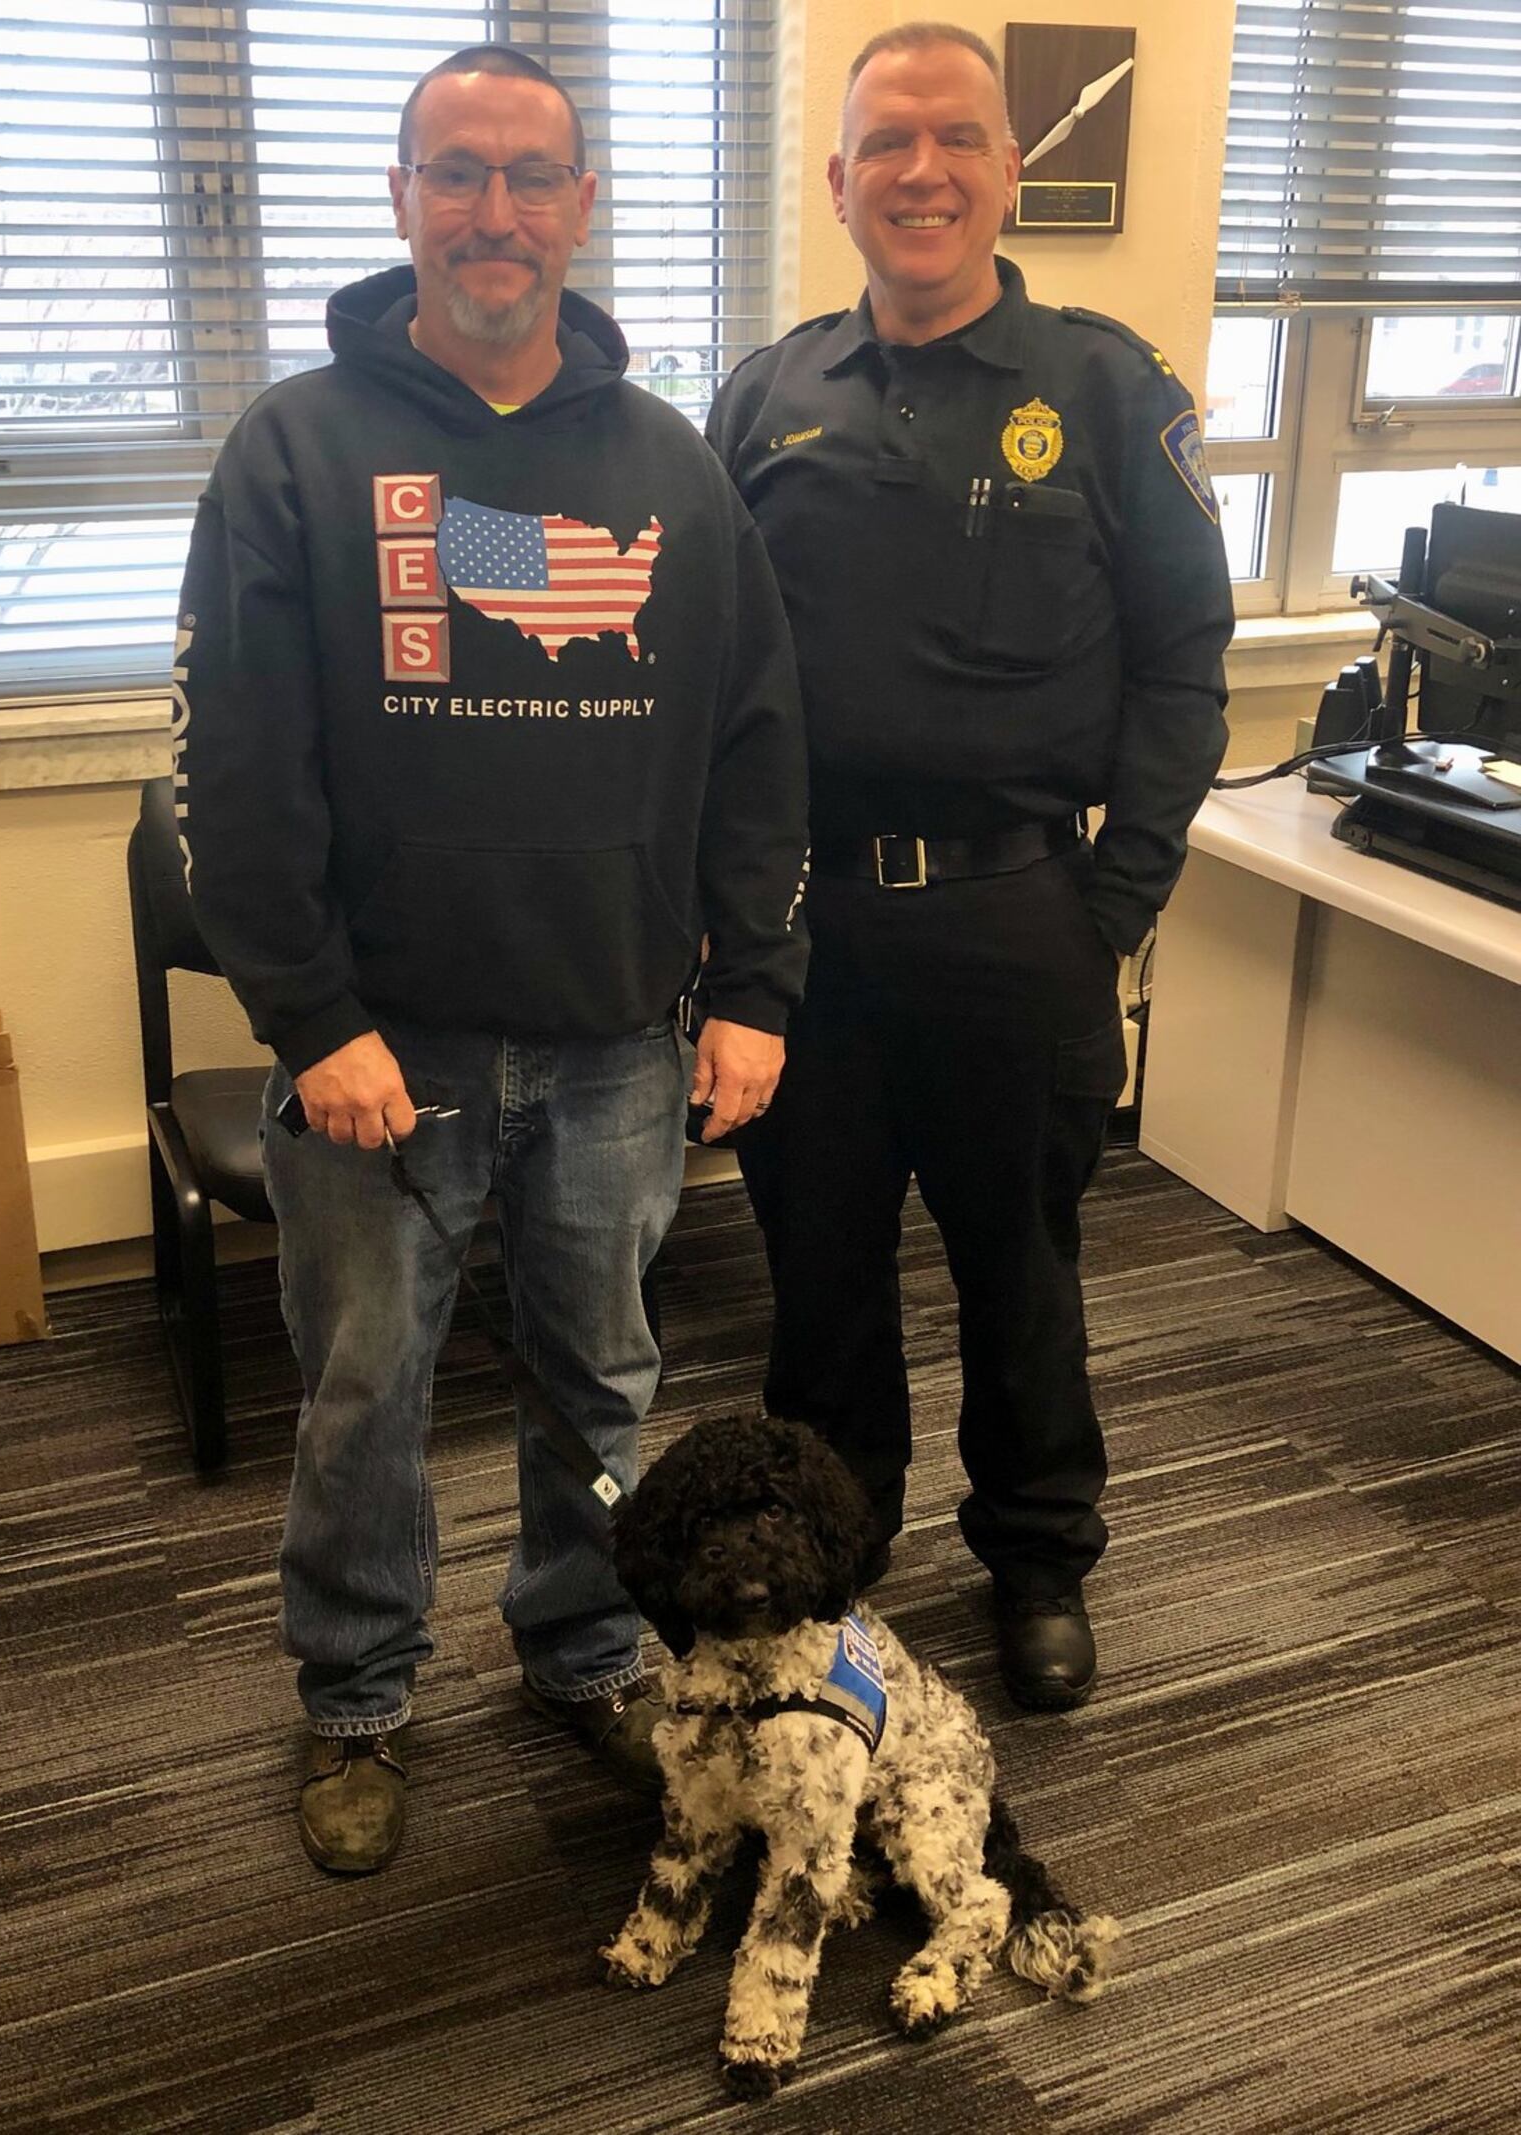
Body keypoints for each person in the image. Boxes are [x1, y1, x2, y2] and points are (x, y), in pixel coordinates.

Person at [173, 44, 808, 1873]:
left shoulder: (671, 468)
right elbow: (240, 773)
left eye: (532, 175)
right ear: (399, 201)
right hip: (385, 1057)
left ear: (582, 207)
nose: (496, 212)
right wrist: (308, 1023)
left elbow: (760, 745)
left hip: (617, 1037)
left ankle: (584, 1644)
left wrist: (756, 985)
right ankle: (355, 1700)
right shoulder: (294, 450)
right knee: (367, 1396)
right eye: (457, 172)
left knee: (601, 1378)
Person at [705, 22, 1234, 1712]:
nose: (921, 171)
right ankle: (831, 1567)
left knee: (1024, 1272)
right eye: (886, 143)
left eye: (958, 139)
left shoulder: (1109, 389)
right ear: (840, 180)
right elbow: (706, 680)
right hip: (807, 933)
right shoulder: (764, 396)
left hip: (1024, 917)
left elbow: (1185, 668)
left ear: (1010, 171)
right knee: (824, 1282)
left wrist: (1115, 911)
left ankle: (1038, 1560)